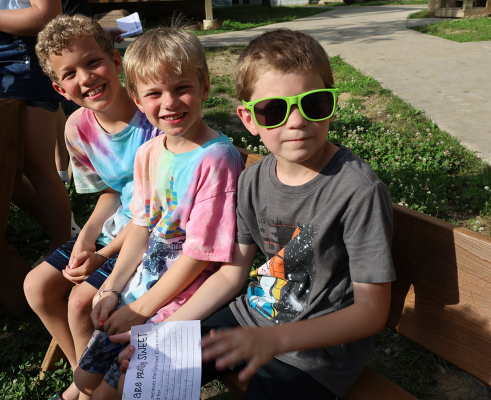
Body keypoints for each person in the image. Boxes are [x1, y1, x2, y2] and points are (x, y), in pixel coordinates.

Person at [114, 29, 396, 400]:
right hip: (248, 319)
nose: (296, 121)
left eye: (313, 104)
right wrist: (166, 333)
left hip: (314, 352)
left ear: (331, 104)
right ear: (248, 119)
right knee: (142, 373)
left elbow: (372, 311)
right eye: (274, 110)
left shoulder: (358, 190)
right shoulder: (252, 180)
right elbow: (232, 274)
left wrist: (271, 339)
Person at [72, 26, 244, 400]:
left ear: (205, 87)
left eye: (182, 88)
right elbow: (140, 226)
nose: (170, 103)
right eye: (154, 93)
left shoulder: (217, 159)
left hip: (178, 300)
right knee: (84, 382)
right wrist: (113, 288)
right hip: (140, 286)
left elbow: (200, 256)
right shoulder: (149, 153)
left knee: (107, 392)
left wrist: (140, 308)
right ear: (136, 98)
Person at [23, 14, 161, 400]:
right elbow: (110, 192)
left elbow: (156, 211)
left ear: (116, 62)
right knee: (36, 286)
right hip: (116, 228)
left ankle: (89, 390)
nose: (85, 78)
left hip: (152, 233)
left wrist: (102, 254)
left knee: (81, 301)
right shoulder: (77, 129)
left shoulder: (153, 115)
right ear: (59, 88)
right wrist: (85, 238)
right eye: (69, 74)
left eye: (92, 62)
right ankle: (80, 374)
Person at [0, 0, 73, 256]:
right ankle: (69, 236)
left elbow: (47, 17)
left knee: (36, 166)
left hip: (26, 64)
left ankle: (63, 252)